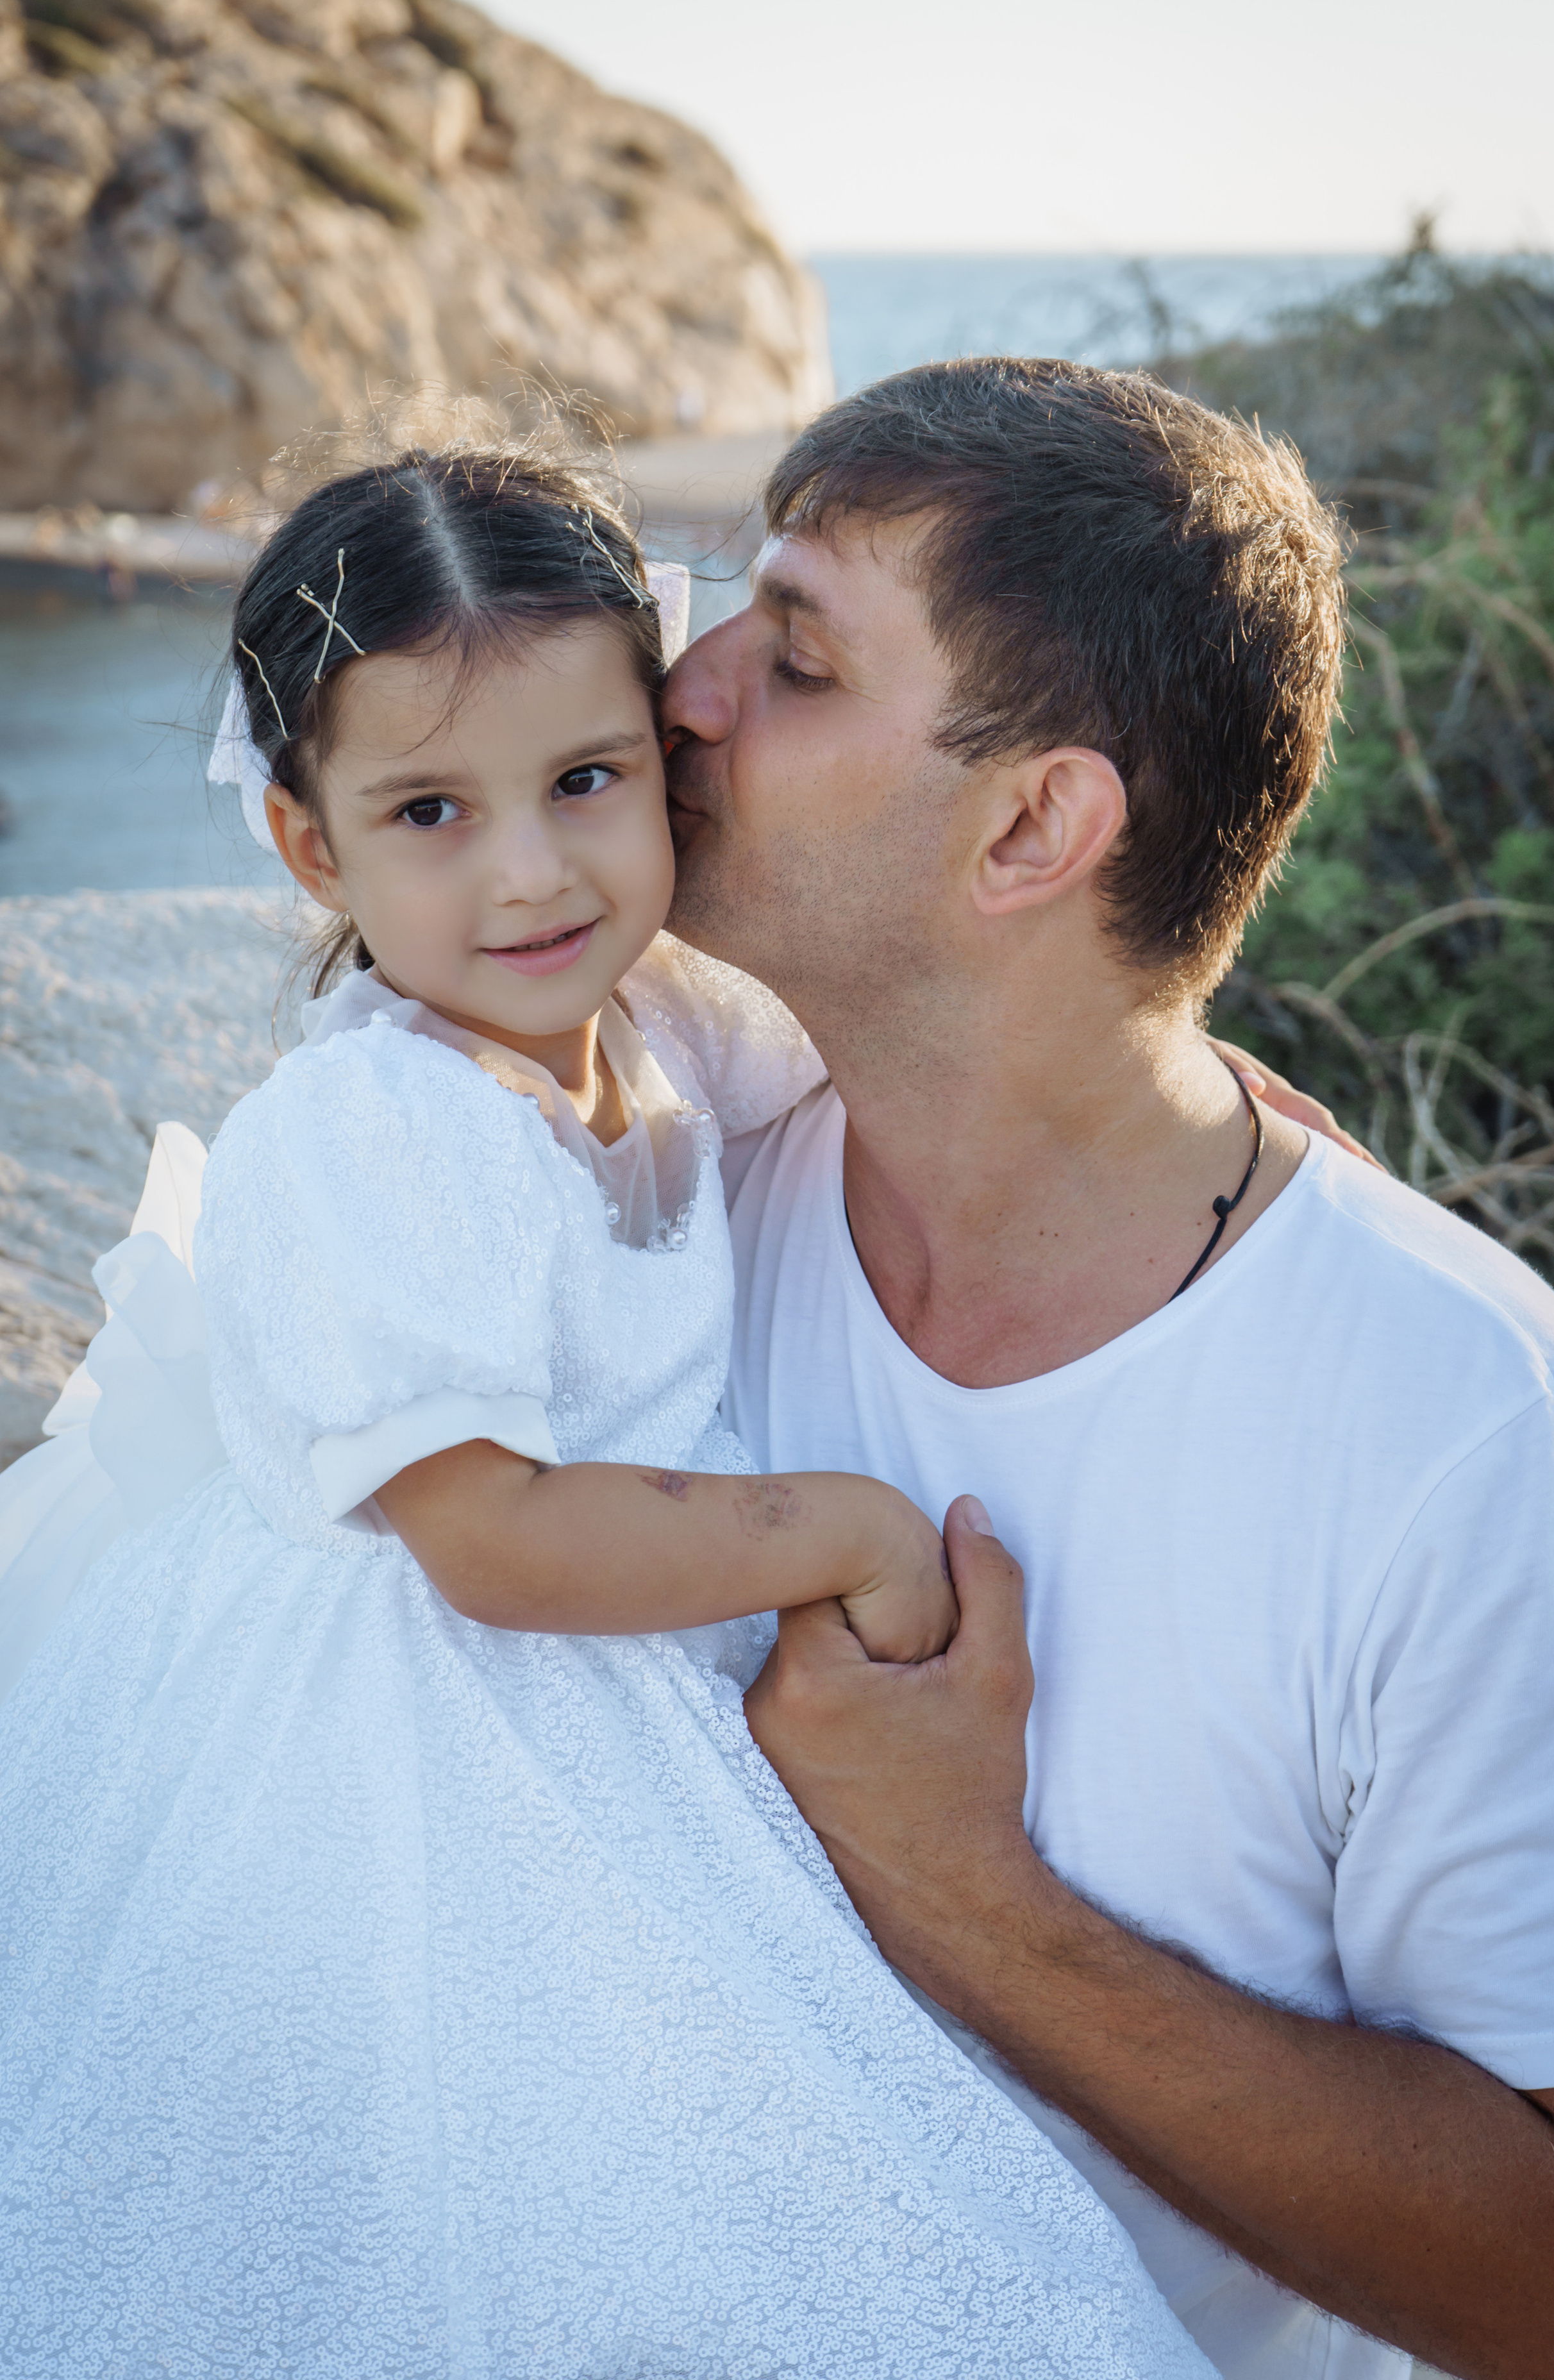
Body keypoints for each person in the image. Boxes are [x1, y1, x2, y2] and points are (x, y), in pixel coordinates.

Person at [0, 444, 1216, 2377]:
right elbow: (488, 1540)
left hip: (623, 1669)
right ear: (314, 848)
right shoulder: (377, 1129)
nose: (533, 872)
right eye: (427, 811)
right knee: (541, 2194)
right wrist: (841, 1524)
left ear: (664, 756)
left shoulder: (658, 1024)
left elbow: (888, 1045)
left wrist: (1181, 1095)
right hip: (419, 1735)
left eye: (586, 780)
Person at [659, 359, 1554, 2380]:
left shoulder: (1468, 1447)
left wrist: (963, 1889)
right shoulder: (663, 1172)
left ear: (1035, 824)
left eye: (801, 657)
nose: (685, 688)